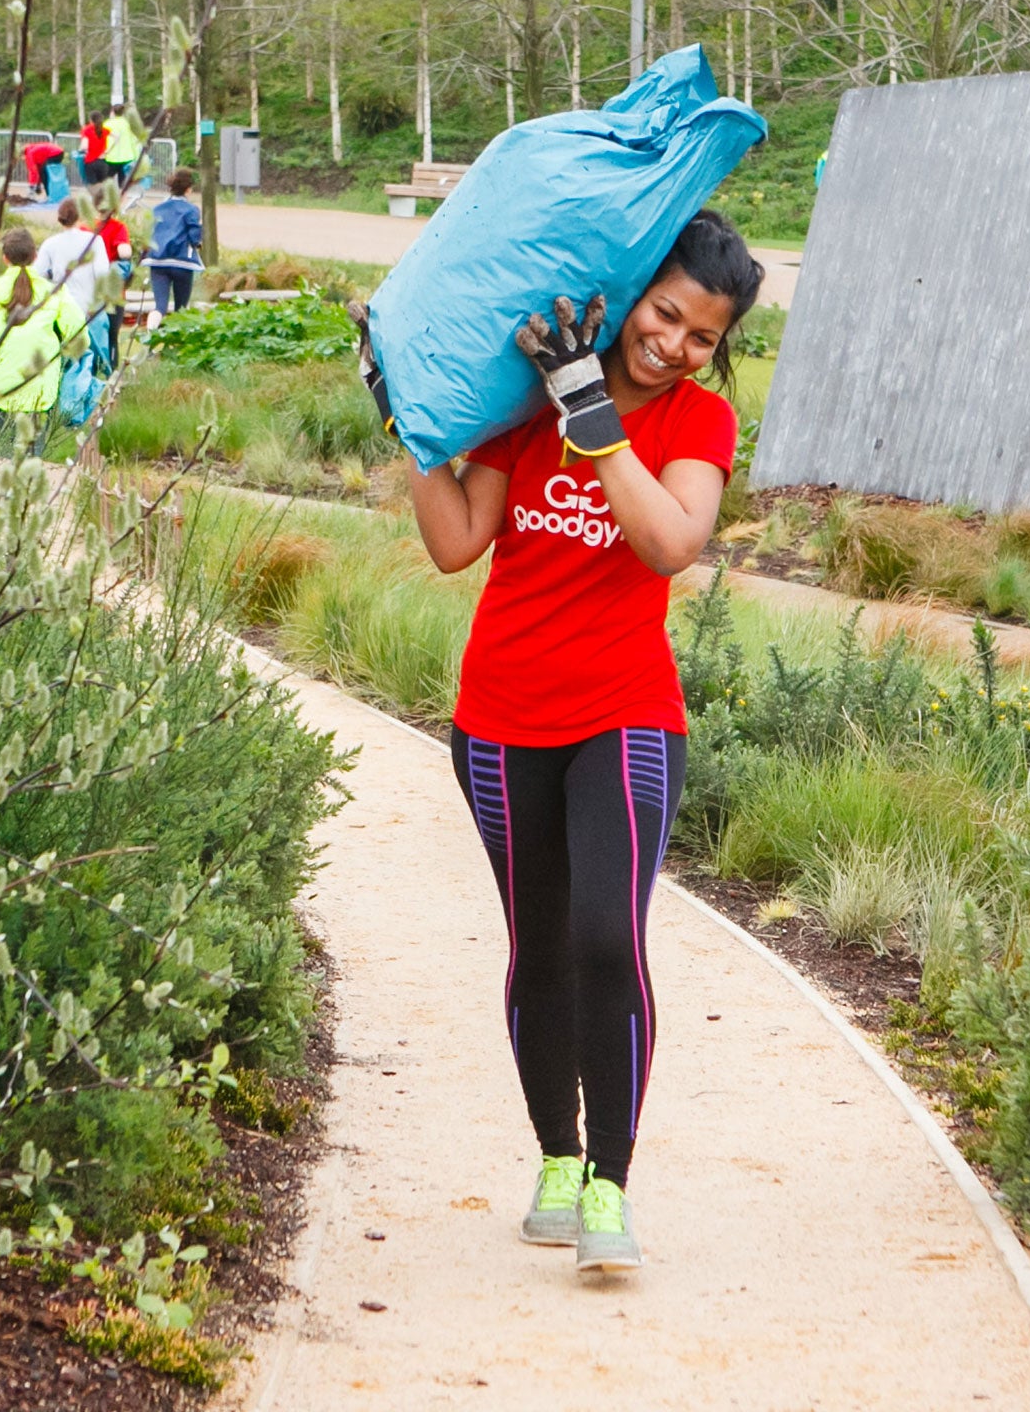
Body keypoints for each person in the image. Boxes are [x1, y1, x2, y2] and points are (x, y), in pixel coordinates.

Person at [357, 210, 762, 1273]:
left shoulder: (696, 427)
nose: (672, 344)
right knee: (538, 948)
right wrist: (414, 425)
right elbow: (454, 545)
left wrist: (593, 413)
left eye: (700, 336)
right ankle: (553, 1156)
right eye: (664, 313)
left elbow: (671, 541)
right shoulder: (521, 407)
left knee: (600, 937)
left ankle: (610, 1188)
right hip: (496, 722)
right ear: (631, 292)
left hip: (624, 717)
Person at [0, 228, 85, 456]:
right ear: (35, 255)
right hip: (40, 388)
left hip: (1, 385)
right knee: (33, 461)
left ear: (4, 258)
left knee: (0, 460)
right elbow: (79, 335)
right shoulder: (55, 293)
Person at [36, 195, 114, 394]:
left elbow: (38, 274)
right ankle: (95, 394)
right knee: (97, 358)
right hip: (90, 307)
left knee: (66, 358)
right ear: (82, 216)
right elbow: (102, 274)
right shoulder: (94, 241)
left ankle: (65, 396)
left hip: (63, 310)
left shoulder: (50, 244)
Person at [144, 167, 203, 321]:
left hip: (158, 261)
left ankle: (152, 330)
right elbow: (194, 233)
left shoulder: (157, 209)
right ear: (188, 189)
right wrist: (197, 243)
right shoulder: (191, 210)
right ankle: (177, 338)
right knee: (181, 307)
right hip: (182, 261)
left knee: (160, 306)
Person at [92, 192, 135, 368]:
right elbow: (125, 252)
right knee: (112, 336)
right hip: (113, 292)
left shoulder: (84, 227)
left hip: (88, 291)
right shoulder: (118, 227)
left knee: (90, 336)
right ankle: (111, 372)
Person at [101, 101, 142, 186]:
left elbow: (103, 140)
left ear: (112, 112)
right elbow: (135, 140)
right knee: (123, 185)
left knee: (107, 183)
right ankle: (123, 198)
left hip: (111, 158)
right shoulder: (128, 124)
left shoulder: (107, 124)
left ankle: (107, 198)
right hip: (127, 157)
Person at [79, 110, 109, 186]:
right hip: (102, 160)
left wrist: (82, 150)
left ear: (90, 120)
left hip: (90, 161)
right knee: (103, 186)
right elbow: (117, 137)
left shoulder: (87, 130)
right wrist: (108, 150)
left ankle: (96, 197)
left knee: (93, 186)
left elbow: (84, 146)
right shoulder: (104, 130)